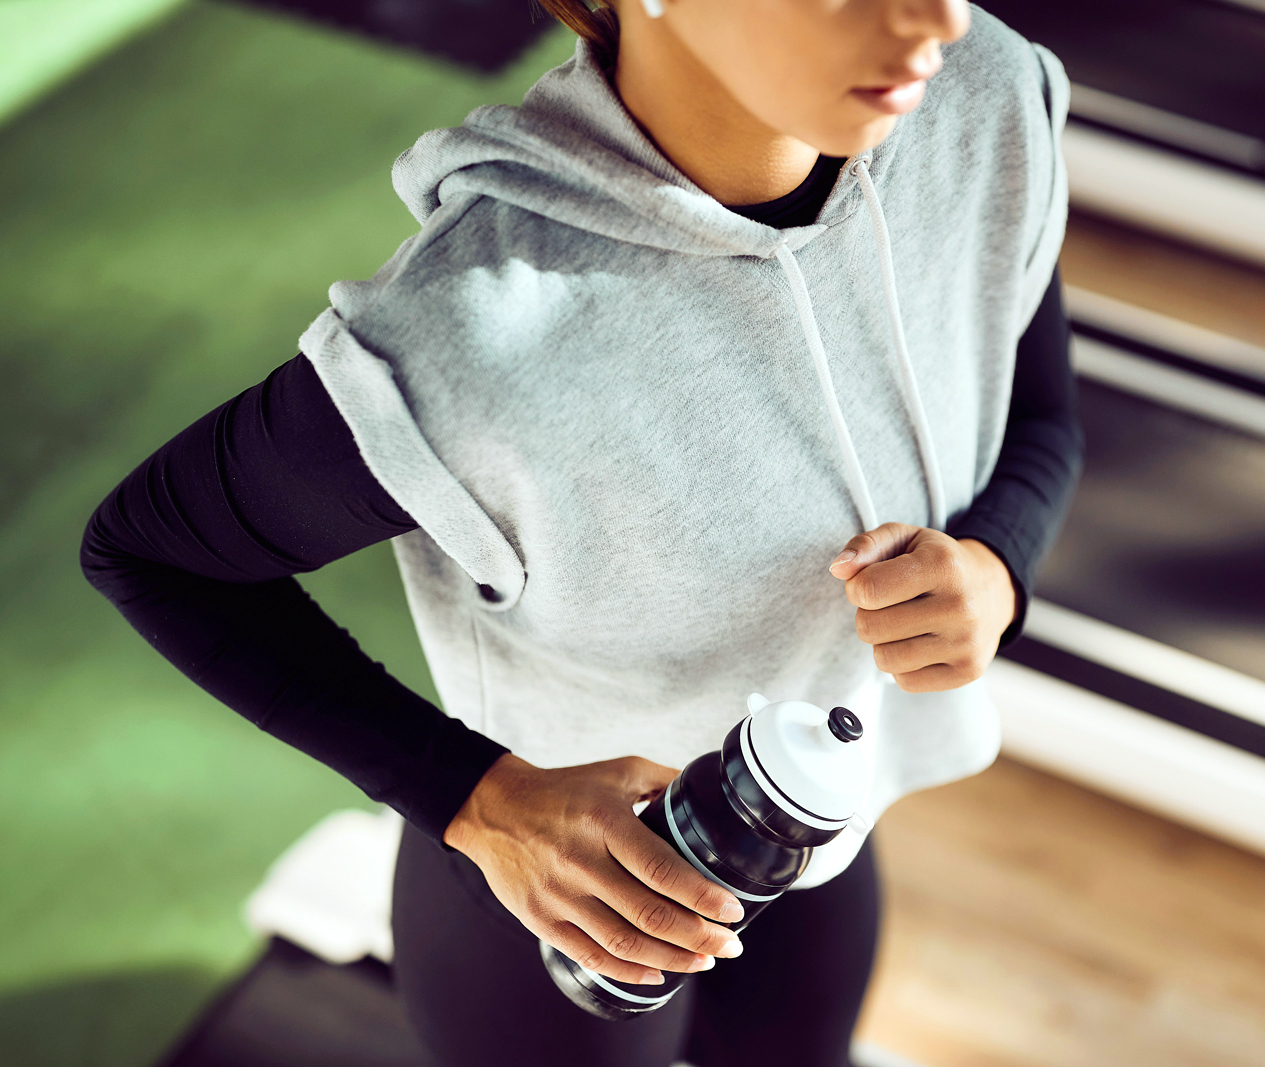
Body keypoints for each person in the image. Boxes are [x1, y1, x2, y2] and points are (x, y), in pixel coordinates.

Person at [82, 0, 1080, 1063]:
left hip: (821, 813)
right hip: (570, 890)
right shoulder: (477, 331)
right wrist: (481, 800)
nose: (930, 18)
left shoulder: (981, 98)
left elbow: (1044, 414)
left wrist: (995, 566)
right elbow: (148, 550)